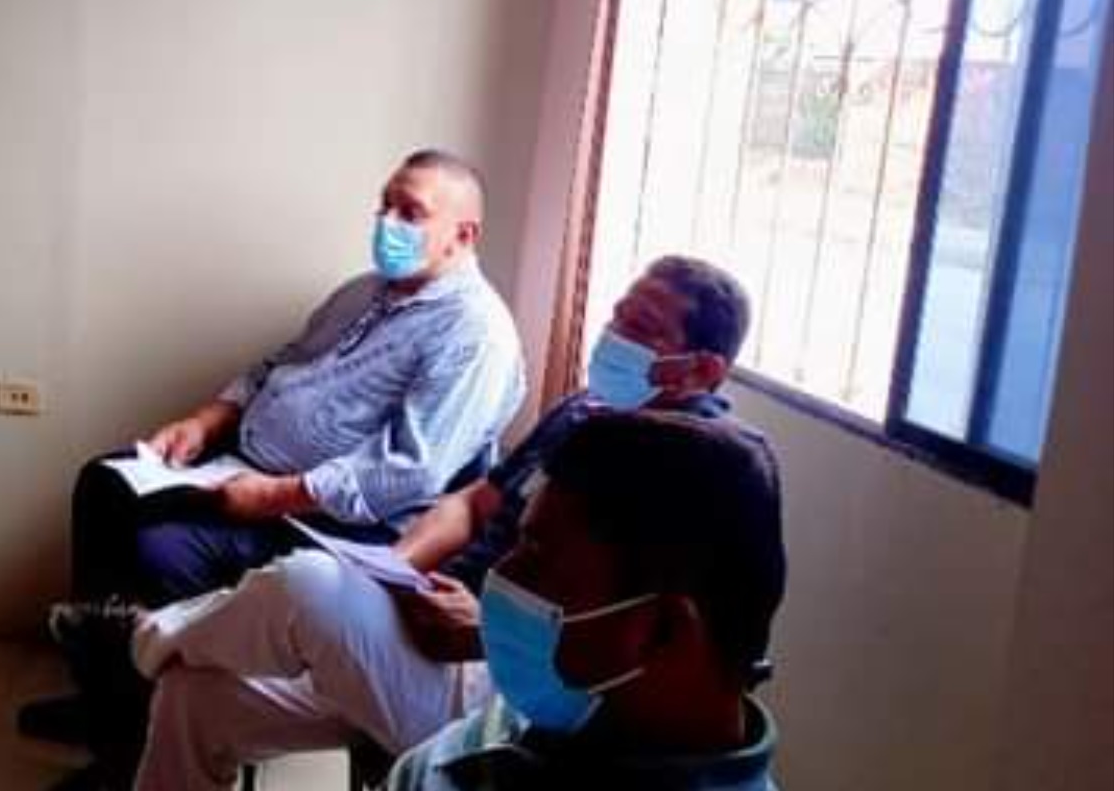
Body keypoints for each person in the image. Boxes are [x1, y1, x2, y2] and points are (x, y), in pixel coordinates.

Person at [51, 256, 757, 789]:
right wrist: (397, 569)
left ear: (702, 369)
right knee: (195, 698)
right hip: (428, 631)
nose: (615, 336)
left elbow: (634, 643)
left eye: (643, 329)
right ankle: (143, 672)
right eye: (618, 315)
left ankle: (137, 640)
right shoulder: (585, 412)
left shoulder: (695, 472)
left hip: (504, 684)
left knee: (304, 585)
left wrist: (485, 626)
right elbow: (473, 504)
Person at [29, 150, 528, 775]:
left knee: (161, 549)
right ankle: (106, 696)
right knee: (102, 484)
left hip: (336, 521)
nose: (387, 223)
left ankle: (133, 745)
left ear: (464, 234)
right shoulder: (363, 292)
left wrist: (270, 495)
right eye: (384, 205)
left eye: (411, 212)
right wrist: (207, 420)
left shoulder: (476, 335)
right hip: (242, 464)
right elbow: (278, 365)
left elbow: (406, 470)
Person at [383, 411, 784, 789]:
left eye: (538, 559)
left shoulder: (580, 699)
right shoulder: (567, 712)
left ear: (663, 631)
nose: (501, 574)